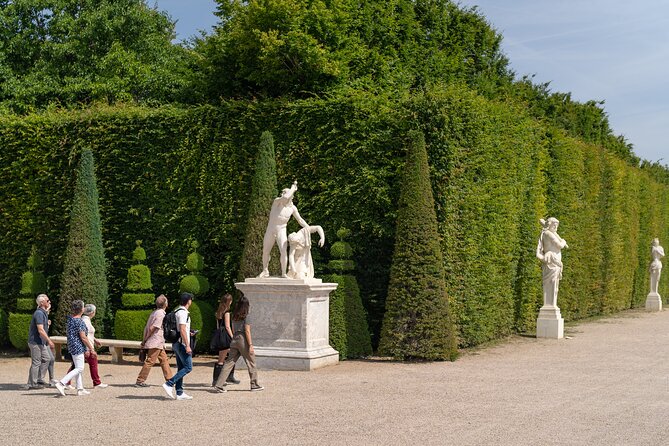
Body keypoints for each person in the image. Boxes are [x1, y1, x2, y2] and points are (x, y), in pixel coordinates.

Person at [258, 180, 310, 278]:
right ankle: (265, 270)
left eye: (284, 192)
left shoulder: (292, 208)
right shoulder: (277, 202)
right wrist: (293, 188)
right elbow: (285, 198)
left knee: (283, 251)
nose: (282, 194)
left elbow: (300, 220)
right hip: (271, 229)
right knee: (266, 250)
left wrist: (309, 228)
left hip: (281, 229)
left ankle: (283, 273)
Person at [213, 296, 264, 393]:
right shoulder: (246, 316)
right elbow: (247, 331)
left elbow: (232, 328)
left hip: (235, 338)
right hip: (242, 339)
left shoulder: (234, 315)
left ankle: (219, 384)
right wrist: (250, 345)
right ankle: (254, 384)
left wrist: (233, 339)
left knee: (229, 362)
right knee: (251, 361)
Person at [55, 300, 95, 397]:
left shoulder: (70, 319)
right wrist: (91, 348)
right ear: (81, 309)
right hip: (78, 346)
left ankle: (80, 389)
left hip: (72, 346)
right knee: (79, 368)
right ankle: (61, 383)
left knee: (78, 367)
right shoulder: (79, 321)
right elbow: (83, 337)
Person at [66, 304, 108, 389]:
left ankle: (67, 382)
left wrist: (95, 340)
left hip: (85, 346)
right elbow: (83, 336)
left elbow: (87, 333)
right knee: (93, 364)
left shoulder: (85, 320)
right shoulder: (85, 321)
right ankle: (96, 382)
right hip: (86, 347)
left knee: (75, 366)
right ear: (92, 312)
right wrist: (89, 349)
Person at [162, 292, 195, 400]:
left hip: (177, 342)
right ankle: (169, 384)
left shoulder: (177, 310)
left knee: (181, 367)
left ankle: (179, 392)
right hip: (181, 344)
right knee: (188, 367)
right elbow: (181, 329)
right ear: (188, 301)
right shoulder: (183, 313)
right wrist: (187, 345)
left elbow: (181, 329)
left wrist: (189, 333)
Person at [135, 294, 173, 387]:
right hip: (156, 341)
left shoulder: (155, 312)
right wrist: (145, 340)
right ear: (165, 304)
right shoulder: (160, 314)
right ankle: (140, 381)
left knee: (164, 360)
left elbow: (147, 328)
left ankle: (170, 380)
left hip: (158, 342)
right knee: (150, 361)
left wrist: (144, 339)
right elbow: (153, 328)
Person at [536, 217, 569, 307]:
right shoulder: (548, 234)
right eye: (554, 225)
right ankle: (549, 306)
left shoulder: (550, 233)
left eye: (557, 226)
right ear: (549, 225)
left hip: (555, 262)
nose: (555, 227)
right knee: (551, 284)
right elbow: (559, 245)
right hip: (551, 261)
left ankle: (552, 305)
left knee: (555, 286)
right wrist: (563, 241)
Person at [25, 294, 55, 389]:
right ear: (42, 302)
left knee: (47, 359)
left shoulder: (43, 312)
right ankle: (32, 383)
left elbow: (44, 328)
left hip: (40, 342)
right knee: (36, 362)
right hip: (35, 342)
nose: (49, 302)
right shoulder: (39, 313)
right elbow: (40, 330)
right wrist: (49, 341)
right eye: (47, 300)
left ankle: (39, 379)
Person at [212, 293, 239, 386]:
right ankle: (217, 380)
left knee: (228, 356)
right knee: (224, 358)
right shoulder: (227, 312)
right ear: (229, 301)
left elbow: (218, 326)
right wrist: (233, 337)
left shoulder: (219, 312)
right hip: (226, 336)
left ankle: (227, 377)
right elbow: (227, 326)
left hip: (220, 335)